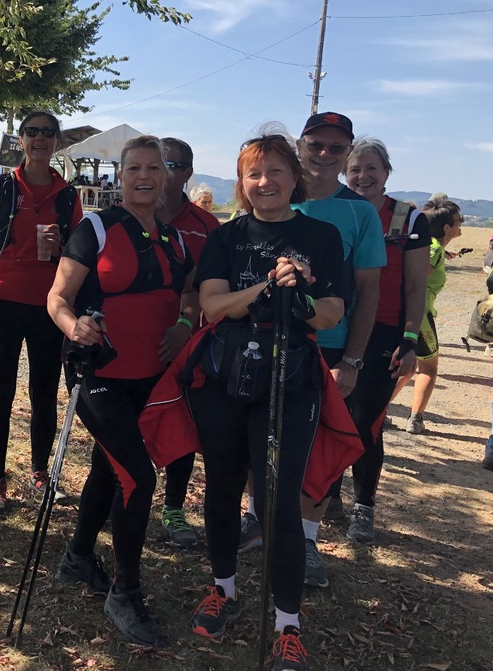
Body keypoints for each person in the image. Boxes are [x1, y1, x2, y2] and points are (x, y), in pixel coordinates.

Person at [187, 132, 345, 670]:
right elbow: (212, 306)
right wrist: (265, 290)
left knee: (278, 499)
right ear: (242, 183)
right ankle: (224, 590)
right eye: (254, 173)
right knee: (223, 485)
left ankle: (287, 624)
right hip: (228, 376)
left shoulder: (320, 236)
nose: (265, 182)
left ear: (294, 177)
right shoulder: (225, 237)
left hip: (291, 379)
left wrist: (299, 296)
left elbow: (331, 313)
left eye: (276, 170)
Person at [48, 135, 198, 646]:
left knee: (108, 467)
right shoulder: (96, 228)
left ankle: (78, 557)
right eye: (134, 168)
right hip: (98, 374)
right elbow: (58, 297)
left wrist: (184, 324)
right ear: (121, 175)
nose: (144, 176)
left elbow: (190, 295)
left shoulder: (175, 239)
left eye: (154, 168)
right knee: (137, 476)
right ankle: (125, 590)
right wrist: (73, 326)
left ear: (167, 176)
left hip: (150, 380)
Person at [241, 112, 385, 590]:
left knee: (316, 447)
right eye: (316, 144)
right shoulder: (272, 193)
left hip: (328, 345)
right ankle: (255, 517)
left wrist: (353, 360)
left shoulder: (360, 213)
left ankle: (305, 538)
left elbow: (368, 292)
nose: (325, 154)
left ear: (347, 155)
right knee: (256, 431)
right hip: (265, 339)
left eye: (336, 148)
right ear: (300, 146)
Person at [0, 111, 82, 513]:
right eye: (32, 132)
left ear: (56, 142)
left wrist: (61, 244)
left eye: (48, 133)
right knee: (0, 392)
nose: (40, 139)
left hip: (50, 306)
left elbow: (79, 256)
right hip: (1, 304)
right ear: (20, 140)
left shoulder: (68, 195)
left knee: (44, 392)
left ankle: (40, 473)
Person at [340, 140, 430, 543]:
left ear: (386, 172)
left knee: (365, 422)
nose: (363, 176)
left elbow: (416, 287)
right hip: (335, 329)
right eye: (355, 169)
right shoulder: (335, 209)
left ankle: (363, 506)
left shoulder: (408, 219)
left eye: (371, 168)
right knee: (329, 417)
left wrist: (409, 341)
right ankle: (327, 495)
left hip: (384, 334)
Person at [152, 137, 220, 549]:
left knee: (181, 423)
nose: (165, 173)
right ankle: (119, 495)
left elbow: (211, 289)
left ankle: (173, 506)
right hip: (132, 340)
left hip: (185, 342)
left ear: (189, 173)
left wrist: (185, 326)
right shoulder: (126, 214)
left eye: (174, 166)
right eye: (159, 164)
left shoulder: (208, 226)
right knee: (124, 421)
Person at [391, 197, 464, 435]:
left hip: (412, 313)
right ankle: (416, 419)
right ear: (447, 227)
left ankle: (380, 411)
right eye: (459, 220)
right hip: (419, 316)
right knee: (428, 368)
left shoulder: (431, 246)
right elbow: (415, 279)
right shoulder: (433, 249)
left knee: (407, 367)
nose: (461, 224)